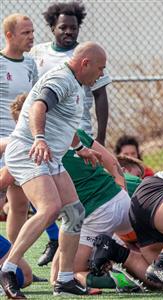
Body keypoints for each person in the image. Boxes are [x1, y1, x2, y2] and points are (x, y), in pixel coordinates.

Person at [0, 41, 106, 298]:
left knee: (75, 212)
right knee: (49, 208)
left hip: (50, 156)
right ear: (85, 64)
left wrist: (80, 147)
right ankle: (8, 269)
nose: (102, 74)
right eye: (100, 68)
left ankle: (65, 280)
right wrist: (38, 138)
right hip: (29, 151)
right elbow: (39, 106)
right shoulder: (61, 78)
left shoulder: (77, 84)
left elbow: (62, 122)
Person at [0, 13, 60, 269]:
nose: (31, 37)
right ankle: (52, 238)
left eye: (33, 32)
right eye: (25, 33)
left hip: (19, 139)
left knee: (20, 202)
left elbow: (32, 104)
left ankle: (14, 262)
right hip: (3, 141)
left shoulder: (29, 64)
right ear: (9, 35)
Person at [29, 1, 110, 145]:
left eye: (74, 27)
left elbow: (100, 95)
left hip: (79, 130)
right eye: (63, 27)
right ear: (53, 28)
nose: (69, 31)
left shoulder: (88, 55)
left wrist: (101, 137)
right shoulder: (37, 52)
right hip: (47, 131)